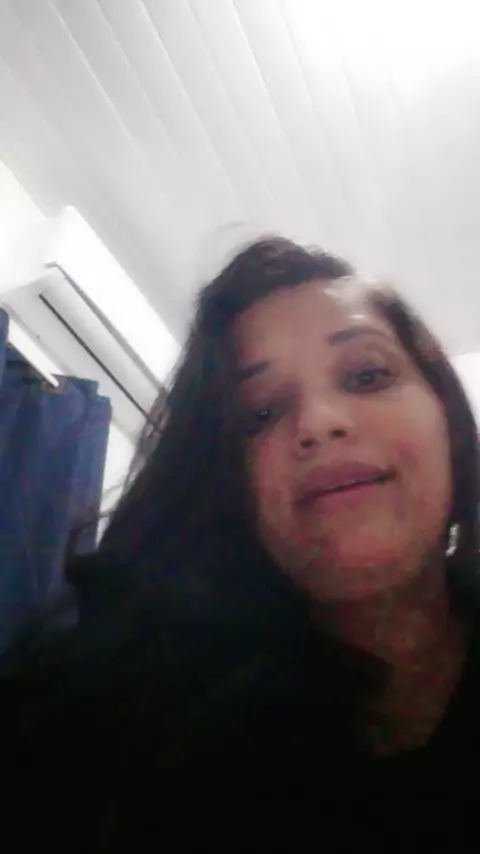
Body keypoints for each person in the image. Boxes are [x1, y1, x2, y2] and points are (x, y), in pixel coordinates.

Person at [3, 237, 480, 848]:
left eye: (367, 375)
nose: (318, 422)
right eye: (259, 413)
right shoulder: (117, 736)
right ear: (228, 485)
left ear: (450, 425)